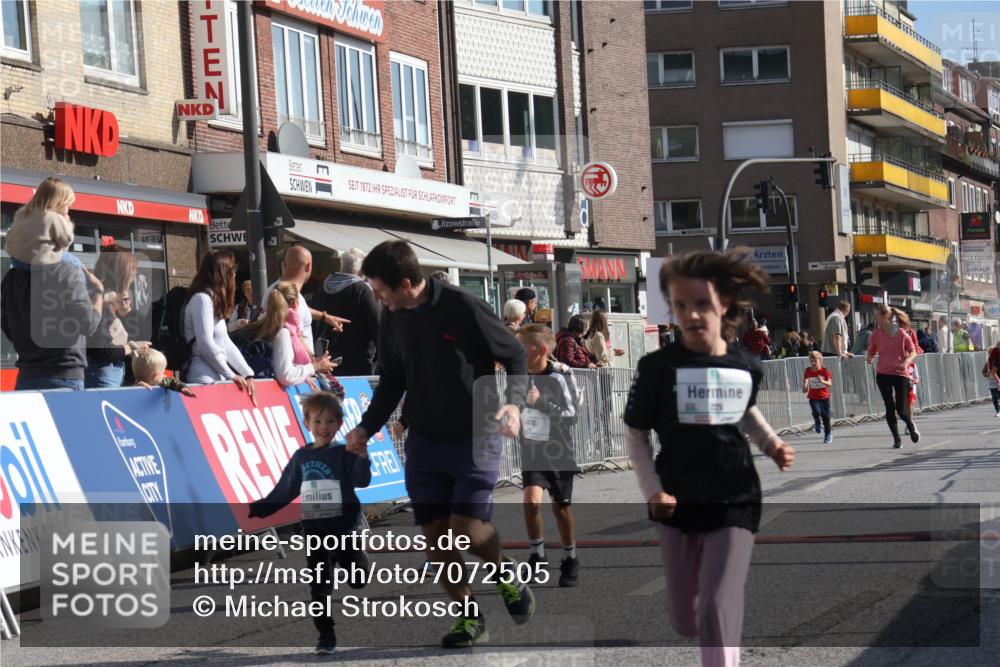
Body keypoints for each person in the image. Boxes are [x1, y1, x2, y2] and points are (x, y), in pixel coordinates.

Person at [343, 240, 532, 648]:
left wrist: (514, 406)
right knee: (435, 538)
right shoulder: (392, 317)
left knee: (464, 531)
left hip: (475, 433)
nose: (376, 298)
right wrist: (365, 428)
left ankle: (503, 573)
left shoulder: (463, 307)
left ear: (407, 283)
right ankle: (469, 616)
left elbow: (515, 355)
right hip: (425, 439)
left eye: (380, 289)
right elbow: (393, 379)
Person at [624, 250, 795, 667]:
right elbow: (636, 435)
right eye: (680, 306)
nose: (691, 315)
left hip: (735, 496)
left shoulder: (746, 366)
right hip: (677, 499)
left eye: (701, 304)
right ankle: (689, 605)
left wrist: (771, 444)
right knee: (687, 619)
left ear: (723, 303)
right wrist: (654, 491)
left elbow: (743, 412)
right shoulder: (656, 368)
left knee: (719, 604)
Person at [249, 392, 371, 655]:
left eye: (329, 422)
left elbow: (361, 481)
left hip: (343, 528)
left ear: (339, 424)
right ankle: (325, 634)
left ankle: (360, 562)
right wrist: (264, 507)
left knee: (357, 579)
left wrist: (362, 457)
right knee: (319, 584)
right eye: (317, 422)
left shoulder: (344, 452)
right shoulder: (301, 457)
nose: (323, 428)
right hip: (314, 530)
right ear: (307, 424)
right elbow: (287, 487)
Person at [1, 180, 104, 391]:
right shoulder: (66, 271)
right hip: (64, 376)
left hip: (26, 375)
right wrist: (98, 294)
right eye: (67, 208)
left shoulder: (11, 278)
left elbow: (8, 328)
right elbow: (88, 325)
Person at [515, 324, 580, 587]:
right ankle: (537, 555)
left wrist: (541, 402)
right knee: (531, 502)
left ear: (541, 351)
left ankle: (569, 558)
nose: (518, 352)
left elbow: (572, 415)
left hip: (559, 451)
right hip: (532, 450)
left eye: (522, 348)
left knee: (561, 508)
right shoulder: (518, 377)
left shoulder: (559, 377)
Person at [183, 249, 257, 404]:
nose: (235, 274)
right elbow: (205, 344)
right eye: (233, 269)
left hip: (217, 377)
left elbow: (225, 342)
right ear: (223, 272)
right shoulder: (202, 299)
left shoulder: (212, 299)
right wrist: (231, 374)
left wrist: (247, 373)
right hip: (203, 378)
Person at [243, 282, 335, 388]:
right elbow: (286, 375)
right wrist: (315, 367)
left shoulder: (266, 324)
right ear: (295, 303)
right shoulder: (283, 332)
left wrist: (306, 373)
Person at [261, 246, 349, 356]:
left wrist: (325, 317)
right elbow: (296, 337)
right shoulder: (289, 295)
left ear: (284, 264)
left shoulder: (279, 290)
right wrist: (316, 362)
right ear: (308, 266)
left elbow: (301, 310)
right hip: (296, 366)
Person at [313, 248, 380, 376]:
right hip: (358, 364)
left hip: (325, 361)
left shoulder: (322, 288)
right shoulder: (362, 290)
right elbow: (378, 326)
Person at [85, 246, 146, 388]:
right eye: (132, 271)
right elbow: (100, 348)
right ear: (122, 272)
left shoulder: (102, 297)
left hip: (102, 374)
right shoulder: (102, 299)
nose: (133, 276)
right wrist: (131, 348)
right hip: (102, 376)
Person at [4, 176, 83, 273]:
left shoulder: (23, 212)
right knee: (75, 262)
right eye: (67, 205)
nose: (68, 209)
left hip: (16, 260)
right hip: (38, 263)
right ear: (58, 202)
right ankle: (85, 286)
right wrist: (67, 223)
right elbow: (67, 240)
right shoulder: (53, 217)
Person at [866, 304, 919, 448]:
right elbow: (870, 351)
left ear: (885, 317)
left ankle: (911, 426)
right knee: (889, 408)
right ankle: (897, 439)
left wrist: (906, 361)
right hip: (883, 374)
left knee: (901, 410)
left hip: (901, 375)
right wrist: (869, 358)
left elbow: (913, 351)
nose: (875, 318)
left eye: (877, 315)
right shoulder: (875, 334)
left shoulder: (901, 333)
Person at [802, 351, 833, 443]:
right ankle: (817, 423)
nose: (813, 363)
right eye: (811, 361)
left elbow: (830, 383)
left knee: (826, 417)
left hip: (824, 397)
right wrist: (805, 387)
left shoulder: (824, 371)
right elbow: (806, 380)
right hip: (813, 397)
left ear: (820, 360)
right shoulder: (808, 370)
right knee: (816, 412)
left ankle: (828, 435)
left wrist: (822, 381)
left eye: (815, 361)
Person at [986, 339, 1000, 416]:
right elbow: (984, 372)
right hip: (992, 381)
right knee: (994, 397)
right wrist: (987, 373)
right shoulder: (989, 362)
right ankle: (997, 410)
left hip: (997, 379)